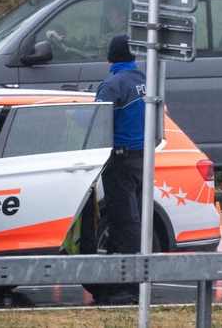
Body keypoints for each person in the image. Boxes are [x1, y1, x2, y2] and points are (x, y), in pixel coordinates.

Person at [89, 34, 146, 304]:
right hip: (141, 160)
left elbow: (98, 126)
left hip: (119, 162)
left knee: (125, 224)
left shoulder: (112, 86)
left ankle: (127, 289)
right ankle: (112, 282)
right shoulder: (145, 80)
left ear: (111, 58)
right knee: (129, 220)